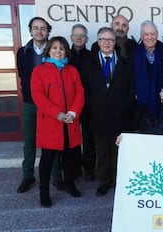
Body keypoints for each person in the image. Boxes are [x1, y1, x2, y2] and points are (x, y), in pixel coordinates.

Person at [31, 36, 85, 207]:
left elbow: (80, 93)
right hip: (51, 122)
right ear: (49, 50)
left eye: (61, 48)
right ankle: (44, 192)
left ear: (66, 51)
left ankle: (69, 184)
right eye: (55, 48)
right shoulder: (39, 71)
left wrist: (73, 112)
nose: (58, 51)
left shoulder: (72, 70)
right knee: (47, 159)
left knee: (69, 157)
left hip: (69, 122)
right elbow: (38, 97)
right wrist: (57, 113)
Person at [83, 27, 135, 197]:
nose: (107, 42)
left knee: (119, 151)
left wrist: (124, 105)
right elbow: (86, 90)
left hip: (120, 115)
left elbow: (130, 89)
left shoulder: (125, 63)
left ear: (115, 42)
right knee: (103, 151)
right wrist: (94, 107)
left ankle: (119, 181)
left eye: (110, 40)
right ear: (98, 42)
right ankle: (104, 182)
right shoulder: (89, 64)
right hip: (98, 116)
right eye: (103, 39)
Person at [16, 17, 63, 193]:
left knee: (53, 140)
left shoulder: (53, 50)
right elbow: (23, 77)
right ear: (30, 30)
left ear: (48, 31)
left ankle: (56, 175)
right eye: (36, 28)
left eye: (43, 28)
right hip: (30, 103)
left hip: (51, 105)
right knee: (29, 140)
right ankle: (27, 175)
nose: (39, 31)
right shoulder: (23, 52)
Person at [68, 24, 96, 181]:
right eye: (76, 35)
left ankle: (89, 167)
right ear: (71, 37)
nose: (79, 37)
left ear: (86, 38)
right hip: (69, 103)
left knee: (88, 136)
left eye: (82, 35)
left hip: (88, 102)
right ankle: (74, 167)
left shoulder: (91, 56)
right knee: (71, 136)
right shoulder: (65, 55)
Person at [133, 20, 163, 133]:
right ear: (141, 36)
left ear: (157, 35)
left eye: (152, 34)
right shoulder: (134, 53)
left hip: (161, 102)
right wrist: (134, 92)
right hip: (140, 106)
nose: (149, 37)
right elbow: (130, 78)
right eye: (146, 34)